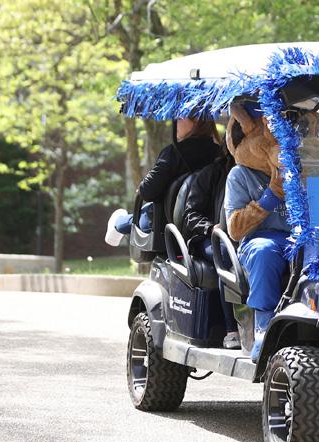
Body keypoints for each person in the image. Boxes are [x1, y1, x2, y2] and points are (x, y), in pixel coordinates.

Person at [222, 104, 289, 362]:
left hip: (299, 238)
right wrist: (270, 196)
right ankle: (263, 325)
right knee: (265, 252)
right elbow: (235, 228)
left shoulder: (300, 171)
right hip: (260, 239)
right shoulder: (240, 175)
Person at [104, 118, 222, 245]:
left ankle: (118, 223)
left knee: (140, 216)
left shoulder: (174, 153)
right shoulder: (221, 154)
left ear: (197, 120)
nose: (175, 121)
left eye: (180, 117)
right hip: (209, 220)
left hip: (165, 224)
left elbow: (147, 192)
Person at [181, 147, 241, 349]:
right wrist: (211, 228)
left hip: (242, 237)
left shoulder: (260, 172)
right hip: (209, 238)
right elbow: (191, 215)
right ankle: (232, 329)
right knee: (225, 255)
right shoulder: (212, 173)